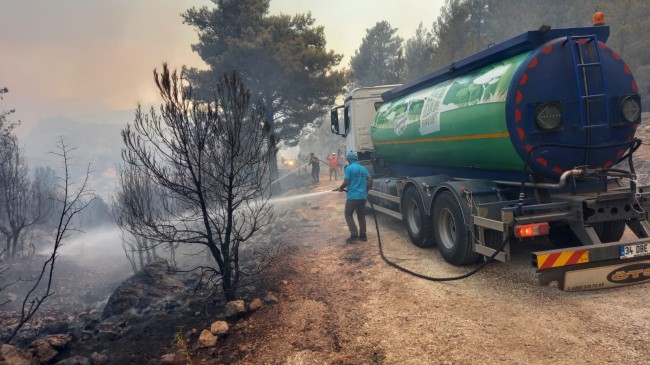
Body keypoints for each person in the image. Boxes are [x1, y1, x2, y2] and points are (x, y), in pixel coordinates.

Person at [336, 151, 373, 243]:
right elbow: (370, 179)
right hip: (362, 197)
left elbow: (346, 182)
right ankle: (363, 236)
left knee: (348, 214)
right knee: (361, 216)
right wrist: (366, 190)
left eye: (347, 159)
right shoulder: (363, 168)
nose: (347, 161)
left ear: (349, 159)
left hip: (352, 197)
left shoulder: (349, 168)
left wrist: (340, 188)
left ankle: (354, 235)